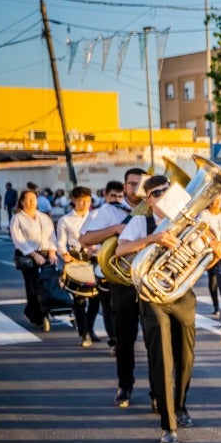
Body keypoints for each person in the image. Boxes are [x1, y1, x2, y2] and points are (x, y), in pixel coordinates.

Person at [115, 175, 219, 443]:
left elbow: (204, 260)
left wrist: (217, 251)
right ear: (148, 201)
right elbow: (120, 249)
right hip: (152, 296)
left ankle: (180, 406)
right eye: (157, 193)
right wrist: (154, 239)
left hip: (182, 295)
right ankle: (167, 424)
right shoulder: (141, 221)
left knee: (185, 357)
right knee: (161, 358)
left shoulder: (193, 221)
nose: (164, 195)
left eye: (167, 190)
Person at [82, 169, 147, 404]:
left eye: (141, 184)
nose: (136, 188)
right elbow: (85, 239)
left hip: (150, 282)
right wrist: (116, 230)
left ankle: (157, 391)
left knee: (155, 340)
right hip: (122, 282)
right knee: (124, 338)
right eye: (132, 184)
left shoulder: (157, 208)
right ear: (124, 186)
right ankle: (125, 385)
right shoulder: (109, 211)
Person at [56, 186, 100, 347]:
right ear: (73, 200)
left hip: (94, 259)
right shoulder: (65, 220)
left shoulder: (96, 217)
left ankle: (90, 328)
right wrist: (63, 253)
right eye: (81, 200)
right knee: (79, 299)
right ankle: (85, 334)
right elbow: (60, 242)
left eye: (88, 201)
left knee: (96, 298)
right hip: (75, 259)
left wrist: (96, 248)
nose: (84, 204)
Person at [11, 189, 57, 331]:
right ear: (22, 201)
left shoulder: (43, 217)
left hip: (45, 253)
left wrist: (52, 252)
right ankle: (37, 316)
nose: (32, 202)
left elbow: (51, 235)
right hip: (28, 256)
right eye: (28, 199)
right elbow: (19, 239)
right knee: (33, 286)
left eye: (34, 199)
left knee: (47, 284)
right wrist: (34, 254)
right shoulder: (17, 218)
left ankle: (45, 310)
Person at [198, 192, 221, 320]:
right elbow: (202, 230)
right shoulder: (204, 214)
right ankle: (215, 304)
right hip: (210, 249)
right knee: (213, 278)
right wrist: (213, 244)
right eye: (215, 200)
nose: (218, 202)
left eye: (220, 199)